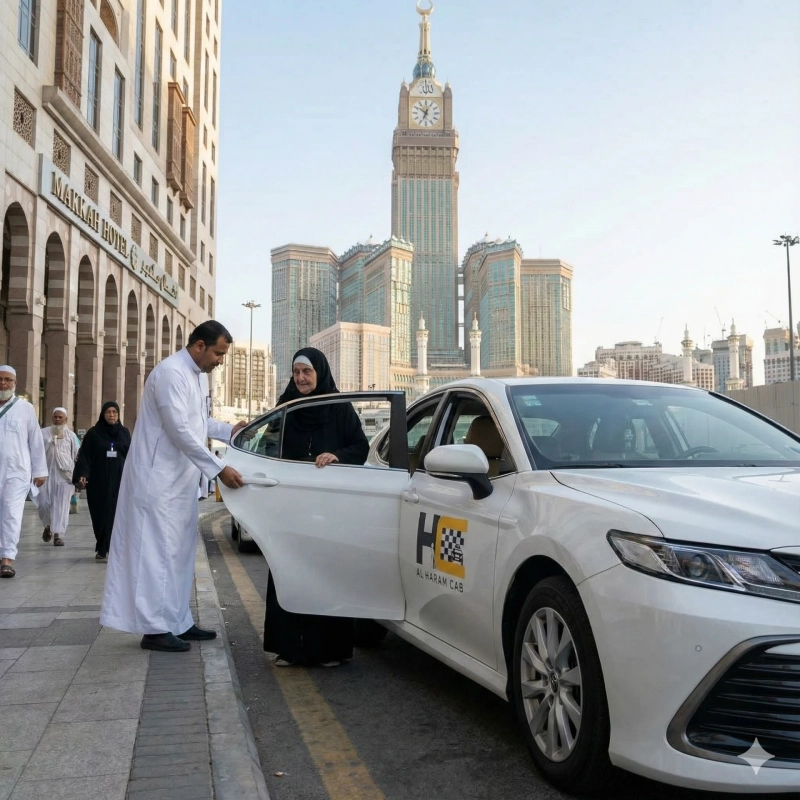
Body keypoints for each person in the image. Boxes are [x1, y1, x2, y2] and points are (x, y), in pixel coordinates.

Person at [100, 320, 246, 653]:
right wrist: (218, 468)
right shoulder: (169, 374)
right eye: (218, 354)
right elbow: (180, 430)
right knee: (155, 555)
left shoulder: (197, 378)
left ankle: (178, 620)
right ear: (199, 346)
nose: (220, 361)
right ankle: (154, 628)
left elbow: (199, 421)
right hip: (157, 483)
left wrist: (230, 430)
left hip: (180, 484)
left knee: (179, 554)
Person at [264, 347, 369, 667]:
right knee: (289, 569)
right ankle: (290, 648)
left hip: (327, 508)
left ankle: (330, 650)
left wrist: (337, 455)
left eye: (307, 372)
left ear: (319, 372)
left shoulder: (338, 407)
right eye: (296, 372)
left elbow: (360, 446)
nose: (301, 378)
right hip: (291, 506)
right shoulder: (287, 407)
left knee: (326, 571)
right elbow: (267, 444)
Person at [0, 365, 47, 578]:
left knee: (11, 513)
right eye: (0, 379)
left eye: (8, 379)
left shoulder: (25, 409)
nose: (3, 383)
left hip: (17, 472)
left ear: (15, 383)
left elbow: (35, 441)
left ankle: (7, 559)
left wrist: (40, 471)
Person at [72, 402, 131, 560]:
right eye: (108, 412)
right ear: (103, 414)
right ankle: (102, 542)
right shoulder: (94, 433)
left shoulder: (124, 433)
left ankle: (108, 548)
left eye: (114, 412)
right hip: (98, 481)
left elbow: (132, 455)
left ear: (118, 415)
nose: (111, 415)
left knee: (115, 513)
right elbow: (84, 455)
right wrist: (82, 474)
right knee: (99, 514)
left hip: (119, 481)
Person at [38, 407, 79, 547]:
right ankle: (48, 526)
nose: (57, 419)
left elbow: (77, 455)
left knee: (61, 506)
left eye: (60, 417)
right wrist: (50, 442)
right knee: (43, 504)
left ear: (66, 419)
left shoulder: (71, 436)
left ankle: (58, 535)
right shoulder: (43, 434)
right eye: (55, 417)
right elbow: (36, 452)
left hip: (65, 476)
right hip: (45, 475)